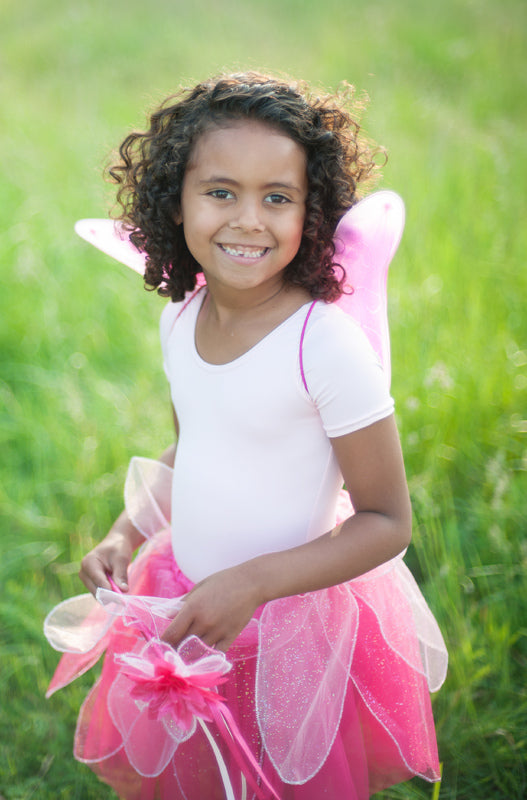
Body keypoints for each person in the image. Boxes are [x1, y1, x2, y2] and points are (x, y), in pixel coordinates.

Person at [46, 72, 447, 799]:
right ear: (175, 200)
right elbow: (195, 449)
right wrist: (123, 536)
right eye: (221, 192)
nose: (248, 221)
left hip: (289, 623)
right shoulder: (180, 318)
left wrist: (251, 584)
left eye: (277, 197)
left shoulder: (321, 345)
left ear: (312, 209)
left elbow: (387, 521)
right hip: (187, 597)